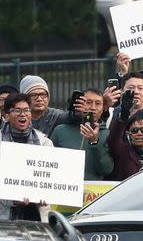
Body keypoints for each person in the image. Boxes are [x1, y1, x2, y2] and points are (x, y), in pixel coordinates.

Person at [0, 93, 53, 221]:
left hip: (38, 217)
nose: (22, 114)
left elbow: (52, 178)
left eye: (26, 110)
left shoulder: (44, 142)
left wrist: (47, 194)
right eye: (17, 110)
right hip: (5, 218)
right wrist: (12, 200)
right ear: (6, 116)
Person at [50, 88, 114, 180]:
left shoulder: (108, 134)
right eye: (88, 102)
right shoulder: (60, 131)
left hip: (94, 193)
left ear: (103, 108)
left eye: (98, 103)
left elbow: (106, 170)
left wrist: (94, 142)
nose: (93, 107)